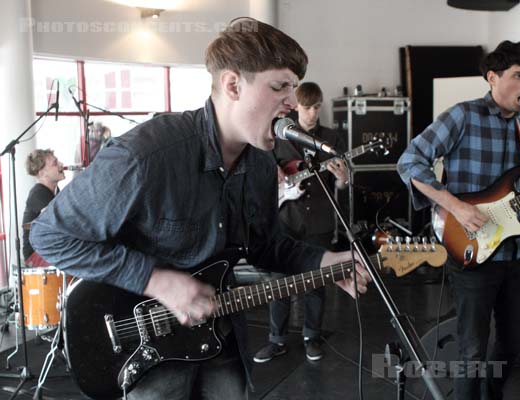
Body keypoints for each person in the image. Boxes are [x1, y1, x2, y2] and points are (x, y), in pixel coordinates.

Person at [30, 17, 369, 400]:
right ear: (233, 85)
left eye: (293, 88)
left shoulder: (260, 162)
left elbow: (267, 245)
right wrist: (154, 280)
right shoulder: (147, 155)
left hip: (221, 340)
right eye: (280, 87)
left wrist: (323, 261)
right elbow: (49, 235)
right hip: (148, 353)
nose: (292, 103)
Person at [397, 40, 520, 400]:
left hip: (518, 256)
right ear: (492, 77)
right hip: (472, 250)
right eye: (519, 75)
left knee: (515, 345)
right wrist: (453, 205)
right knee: (471, 350)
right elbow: (410, 161)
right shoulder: (462, 116)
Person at [253, 82, 348, 363]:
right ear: (297, 107)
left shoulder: (331, 139)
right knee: (279, 283)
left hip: (320, 219)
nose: (312, 113)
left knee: (315, 283)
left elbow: (341, 183)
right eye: (307, 108)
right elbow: (261, 166)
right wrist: (275, 172)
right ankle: (277, 340)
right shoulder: (282, 135)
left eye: (317, 107)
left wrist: (343, 178)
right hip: (285, 220)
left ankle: (312, 336)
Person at [22, 149, 65, 267]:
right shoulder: (38, 193)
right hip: (37, 255)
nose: (61, 164)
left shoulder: (55, 192)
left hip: (49, 250)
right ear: (42, 173)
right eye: (55, 163)